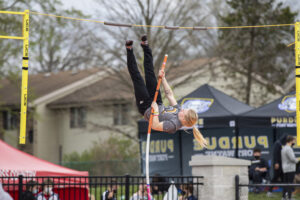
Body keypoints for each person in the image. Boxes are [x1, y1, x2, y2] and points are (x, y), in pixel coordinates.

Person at [125, 35, 206, 147]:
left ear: (184, 119)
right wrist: (163, 79)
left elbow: (155, 125)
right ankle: (145, 46)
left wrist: (156, 111)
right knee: (150, 74)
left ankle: (129, 49)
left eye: (184, 112)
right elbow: (169, 94)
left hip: (148, 109)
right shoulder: (178, 111)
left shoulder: (173, 125)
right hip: (157, 101)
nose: (182, 110)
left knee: (137, 78)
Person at [281, 135, 298, 200]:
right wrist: (297, 160)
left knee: (286, 183)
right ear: (290, 141)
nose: (294, 142)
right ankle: (289, 198)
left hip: (285, 168)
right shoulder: (288, 148)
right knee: (289, 184)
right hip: (290, 168)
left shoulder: (284, 148)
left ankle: (284, 197)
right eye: (294, 141)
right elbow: (292, 159)